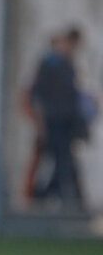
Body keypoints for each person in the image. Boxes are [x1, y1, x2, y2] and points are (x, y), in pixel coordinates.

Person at [27, 26, 87, 208]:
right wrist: (41, 125)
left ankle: (44, 197)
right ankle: (44, 197)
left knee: (63, 162)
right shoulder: (50, 64)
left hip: (66, 124)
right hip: (52, 123)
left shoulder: (68, 64)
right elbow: (36, 96)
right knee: (60, 162)